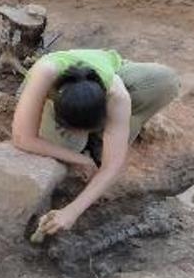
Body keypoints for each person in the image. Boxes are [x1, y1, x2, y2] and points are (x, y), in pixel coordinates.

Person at [12, 49, 179, 234]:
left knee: (167, 81)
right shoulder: (44, 72)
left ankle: (103, 140)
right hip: (49, 94)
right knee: (69, 145)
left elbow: (112, 166)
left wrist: (72, 211)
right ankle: (82, 142)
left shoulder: (117, 94)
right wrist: (81, 159)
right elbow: (23, 138)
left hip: (114, 72)